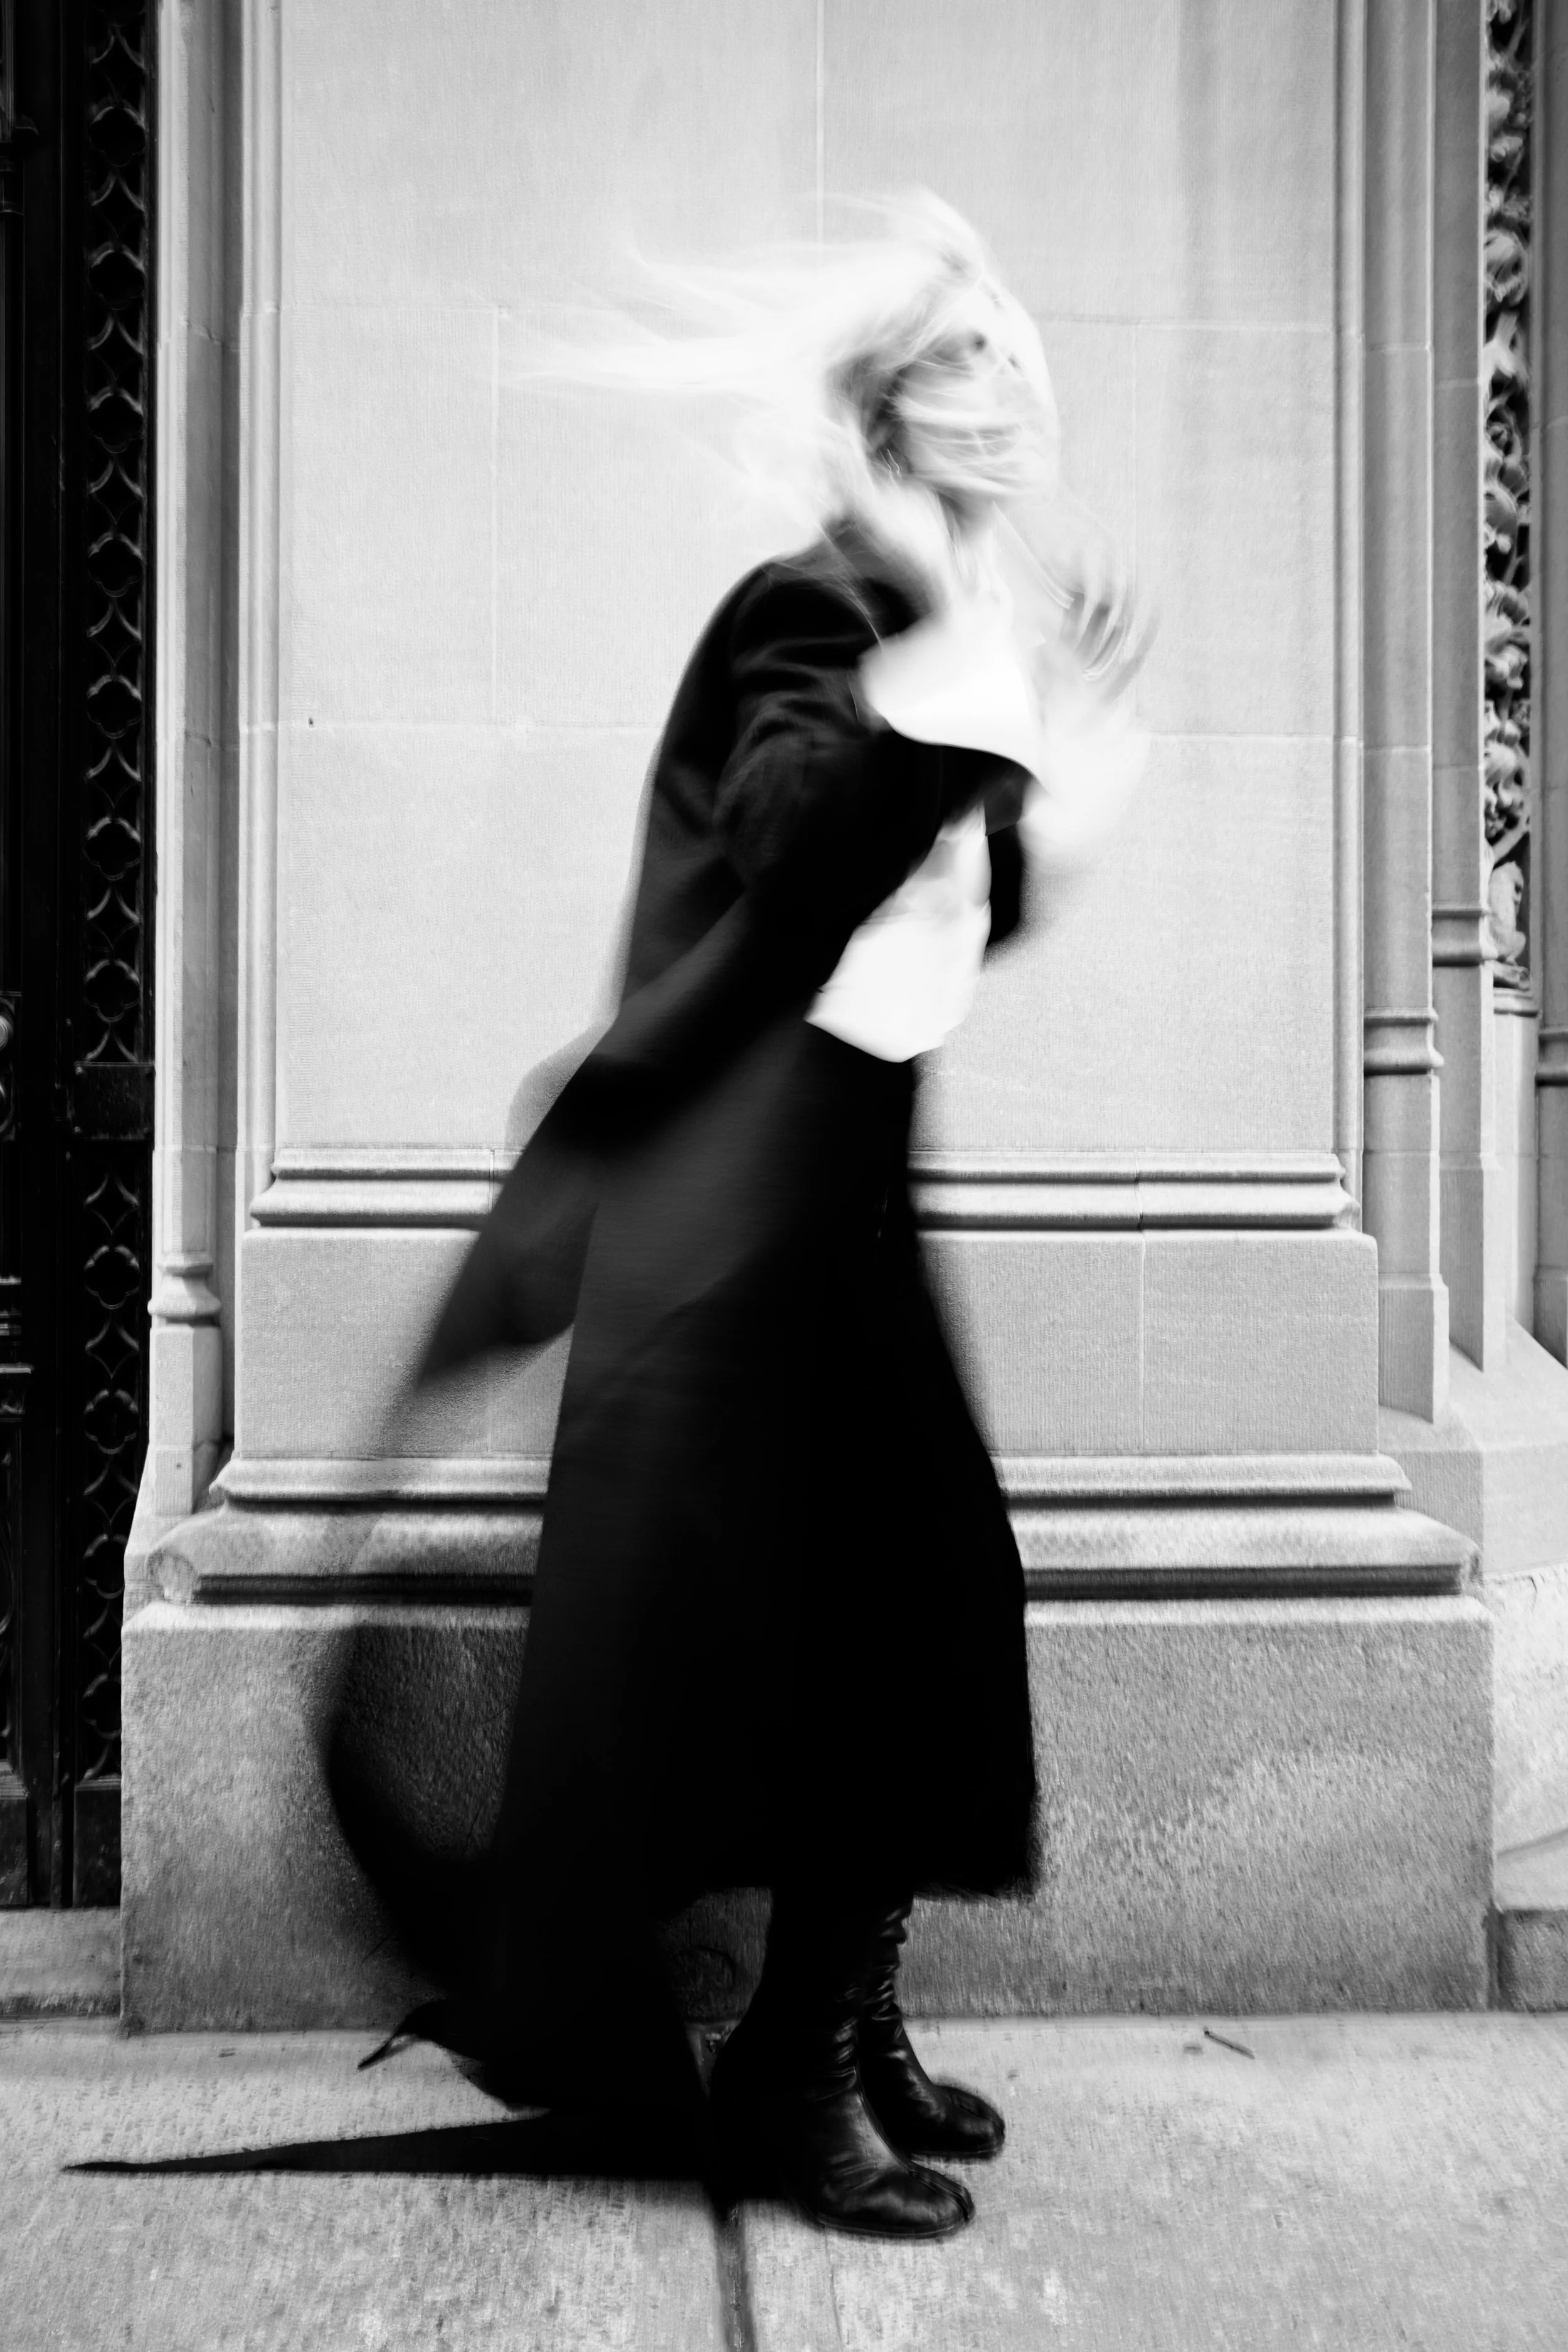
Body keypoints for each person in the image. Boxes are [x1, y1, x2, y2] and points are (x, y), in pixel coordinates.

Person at [329, 197, 1146, 2243]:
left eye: (1021, 352)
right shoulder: (817, 606)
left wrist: (1042, 777)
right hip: (762, 1209)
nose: (1013, 388)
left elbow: (932, 911)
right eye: (967, 359)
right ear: (894, 410)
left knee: (905, 1613)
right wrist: (959, 708)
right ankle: (795, 2062)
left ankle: (837, 2018)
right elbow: (793, 840)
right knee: (899, 1609)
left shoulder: (932, 619)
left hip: (844, 1180)